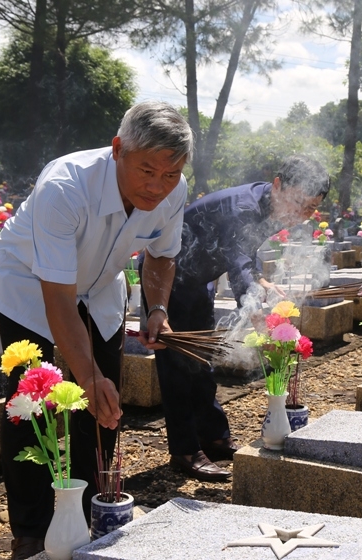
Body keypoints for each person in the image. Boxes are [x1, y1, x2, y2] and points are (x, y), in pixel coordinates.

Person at [0, 101, 193, 560]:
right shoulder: (66, 186)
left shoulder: (173, 191)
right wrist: (86, 374)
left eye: (170, 174)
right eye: (146, 171)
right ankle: (31, 529)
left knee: (104, 400)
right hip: (30, 282)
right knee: (30, 404)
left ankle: (89, 510)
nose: (157, 187)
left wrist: (156, 307)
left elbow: (161, 254)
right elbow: (58, 298)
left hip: (100, 285)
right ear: (118, 149)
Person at [138, 155, 330, 481]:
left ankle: (212, 436)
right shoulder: (243, 207)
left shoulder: (273, 205)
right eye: (299, 203)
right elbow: (238, 263)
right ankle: (184, 450)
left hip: (198, 280)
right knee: (177, 367)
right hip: (168, 279)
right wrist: (259, 315)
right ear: (278, 185)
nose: (301, 215)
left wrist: (263, 283)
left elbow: (242, 253)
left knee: (202, 361)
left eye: (311, 209)